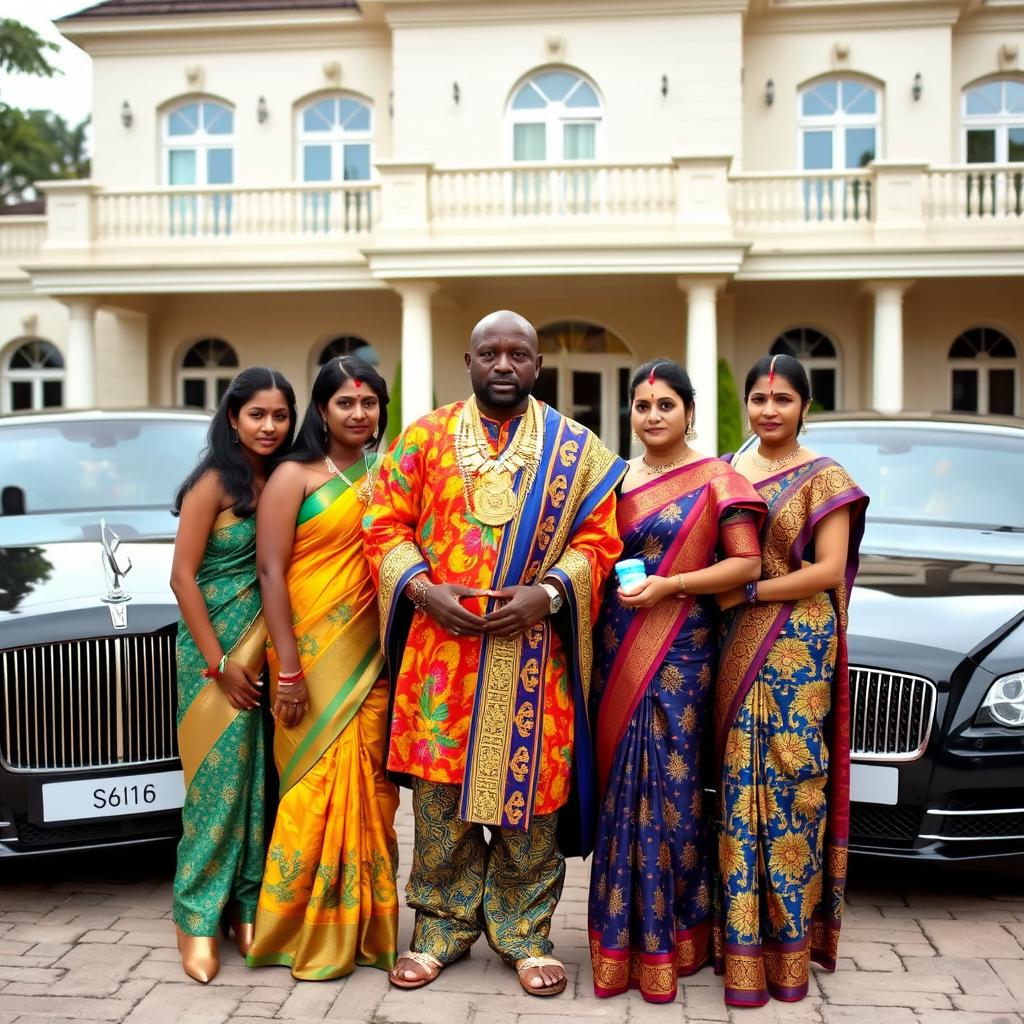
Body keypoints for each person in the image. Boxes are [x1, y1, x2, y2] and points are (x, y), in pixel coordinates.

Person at [363, 309, 626, 997]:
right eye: (490, 353)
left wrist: (552, 593)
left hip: (533, 653)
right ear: (470, 362)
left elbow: (600, 540)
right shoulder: (422, 438)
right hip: (441, 656)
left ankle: (525, 933)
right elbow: (381, 523)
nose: (503, 365)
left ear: (537, 366)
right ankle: (441, 928)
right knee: (441, 803)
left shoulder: (578, 449)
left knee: (530, 802)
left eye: (518, 355)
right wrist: (420, 589)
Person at [588, 360, 765, 1004]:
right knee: (620, 789)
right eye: (642, 406)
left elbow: (745, 562)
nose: (653, 417)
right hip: (614, 649)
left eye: (666, 405)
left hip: (683, 649)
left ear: (690, 412)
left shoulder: (720, 479)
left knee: (673, 788)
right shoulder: (612, 480)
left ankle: (673, 937)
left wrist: (675, 585)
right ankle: (617, 939)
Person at [712, 353, 867, 1007]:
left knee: (790, 784)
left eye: (782, 399)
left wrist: (750, 592)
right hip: (732, 645)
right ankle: (738, 944)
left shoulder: (825, 476)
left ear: (805, 406)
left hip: (797, 641)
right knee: (735, 783)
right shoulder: (725, 472)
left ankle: (788, 946)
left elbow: (828, 570)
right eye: (758, 399)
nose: (768, 410)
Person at [245, 357, 399, 981]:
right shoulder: (295, 477)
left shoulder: (388, 475)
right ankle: (295, 929)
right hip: (309, 659)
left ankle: (368, 926)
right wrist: (287, 668)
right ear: (322, 411)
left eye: (369, 404)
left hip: (374, 659)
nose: (358, 414)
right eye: (345, 404)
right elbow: (270, 573)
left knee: (376, 795)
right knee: (311, 794)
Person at [169, 367, 297, 984]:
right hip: (212, 657)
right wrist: (219, 665)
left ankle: (247, 907)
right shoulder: (214, 482)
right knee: (217, 793)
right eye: (257, 415)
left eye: (279, 416)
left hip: (271, 653)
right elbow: (182, 577)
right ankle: (194, 918)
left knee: (261, 789)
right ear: (232, 418)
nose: (269, 427)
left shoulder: (287, 476)